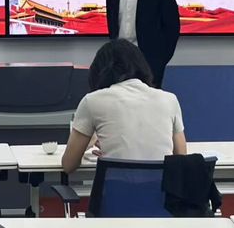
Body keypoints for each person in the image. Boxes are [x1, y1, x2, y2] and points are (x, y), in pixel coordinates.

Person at [62, 40, 186, 174]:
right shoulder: (169, 99)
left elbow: (69, 165)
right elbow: (182, 158)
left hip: (114, 187)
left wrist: (92, 145)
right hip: (161, 187)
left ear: (99, 71)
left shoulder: (92, 101)